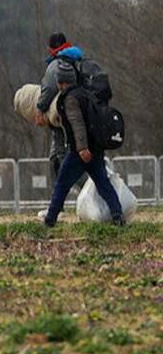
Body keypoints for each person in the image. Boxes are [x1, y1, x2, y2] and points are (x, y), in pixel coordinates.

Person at [44, 61, 124, 227]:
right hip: (95, 149)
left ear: (61, 82)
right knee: (103, 184)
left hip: (80, 151)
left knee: (61, 184)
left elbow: (77, 124)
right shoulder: (85, 93)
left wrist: (81, 148)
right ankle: (118, 215)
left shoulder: (70, 99)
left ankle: (50, 220)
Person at [35, 33, 88, 192]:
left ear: (50, 48)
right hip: (81, 112)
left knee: (65, 159)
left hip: (63, 117)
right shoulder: (77, 59)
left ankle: (93, 187)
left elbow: (49, 88)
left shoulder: (56, 64)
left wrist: (39, 109)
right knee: (55, 160)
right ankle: (56, 204)